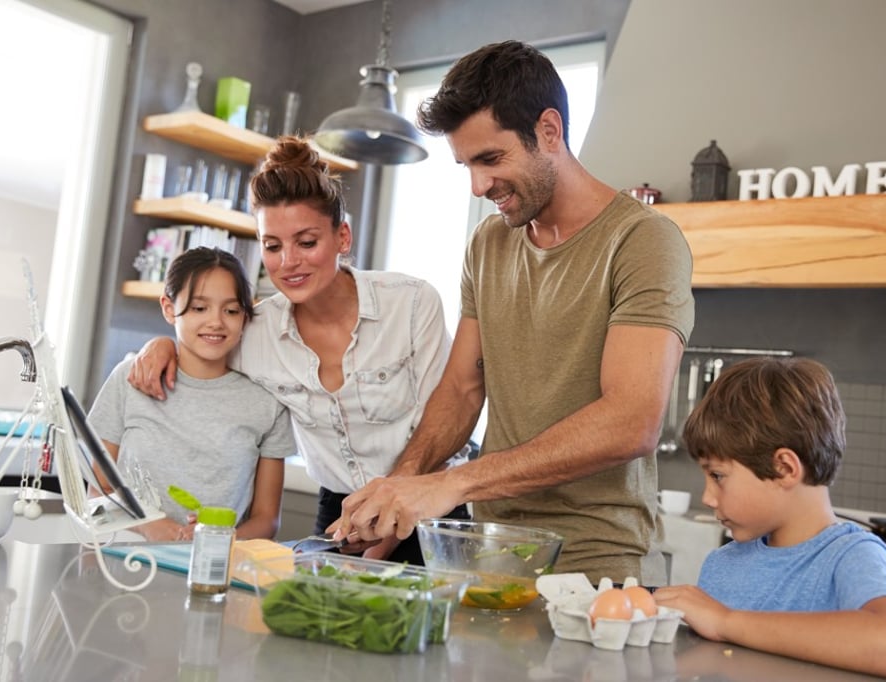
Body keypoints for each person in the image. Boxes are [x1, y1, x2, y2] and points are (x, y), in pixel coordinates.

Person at [332, 40, 695, 585]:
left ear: (549, 131)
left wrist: (453, 484)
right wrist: (401, 489)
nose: (478, 186)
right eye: (467, 165)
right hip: (494, 554)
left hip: (596, 565)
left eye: (491, 159)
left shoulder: (642, 241)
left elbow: (632, 421)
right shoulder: (489, 243)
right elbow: (461, 389)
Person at [127, 137, 469, 563]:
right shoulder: (256, 331)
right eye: (272, 246)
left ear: (342, 237)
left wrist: (382, 540)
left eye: (306, 242)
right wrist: (159, 345)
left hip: (430, 510)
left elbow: (444, 421)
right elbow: (202, 345)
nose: (288, 262)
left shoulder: (412, 304)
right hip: (339, 520)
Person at [652, 357, 886, 680]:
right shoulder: (723, 564)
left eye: (718, 476)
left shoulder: (851, 555)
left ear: (785, 468)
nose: (707, 497)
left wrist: (726, 622)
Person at [89, 247, 295, 541]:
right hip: (124, 567)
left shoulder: (268, 402)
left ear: (246, 316)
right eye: (200, 308)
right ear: (169, 308)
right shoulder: (130, 379)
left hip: (213, 571)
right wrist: (149, 526)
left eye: (232, 310)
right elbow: (98, 496)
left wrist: (219, 539)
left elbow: (266, 519)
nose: (216, 322)